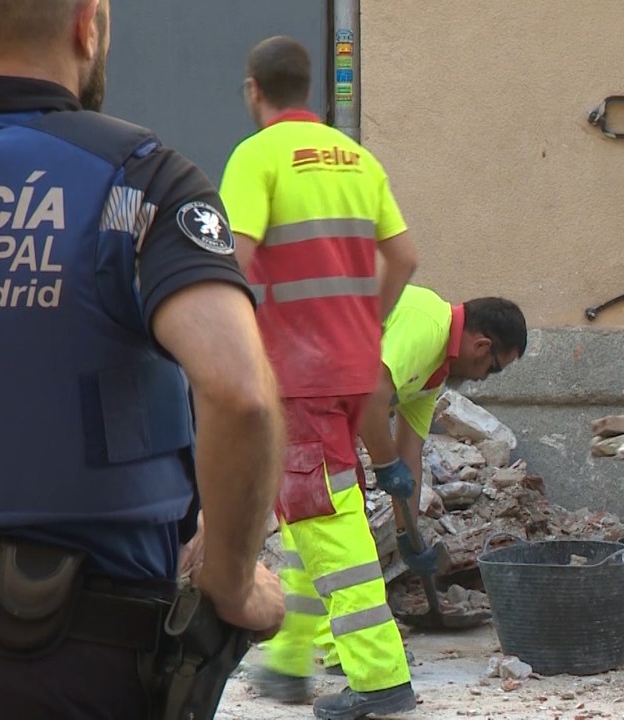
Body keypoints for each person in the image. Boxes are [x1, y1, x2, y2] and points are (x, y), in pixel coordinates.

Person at [0, 1, 287, 718]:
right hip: (80, 654)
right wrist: (231, 580)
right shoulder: (137, 179)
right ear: (88, 25)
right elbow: (240, 392)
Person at [216, 35, 420, 720]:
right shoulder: (357, 157)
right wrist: (367, 325)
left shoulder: (256, 156)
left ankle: (380, 679)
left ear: (254, 90)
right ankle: (287, 662)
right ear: (310, 90)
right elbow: (405, 257)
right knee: (307, 512)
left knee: (326, 519)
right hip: (349, 367)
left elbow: (233, 263)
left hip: (294, 372)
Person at [358, 287, 527, 528]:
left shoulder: (434, 371)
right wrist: (386, 464)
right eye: (493, 368)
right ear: (481, 346)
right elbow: (369, 396)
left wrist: (408, 534)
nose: (483, 378)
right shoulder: (428, 324)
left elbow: (410, 454)